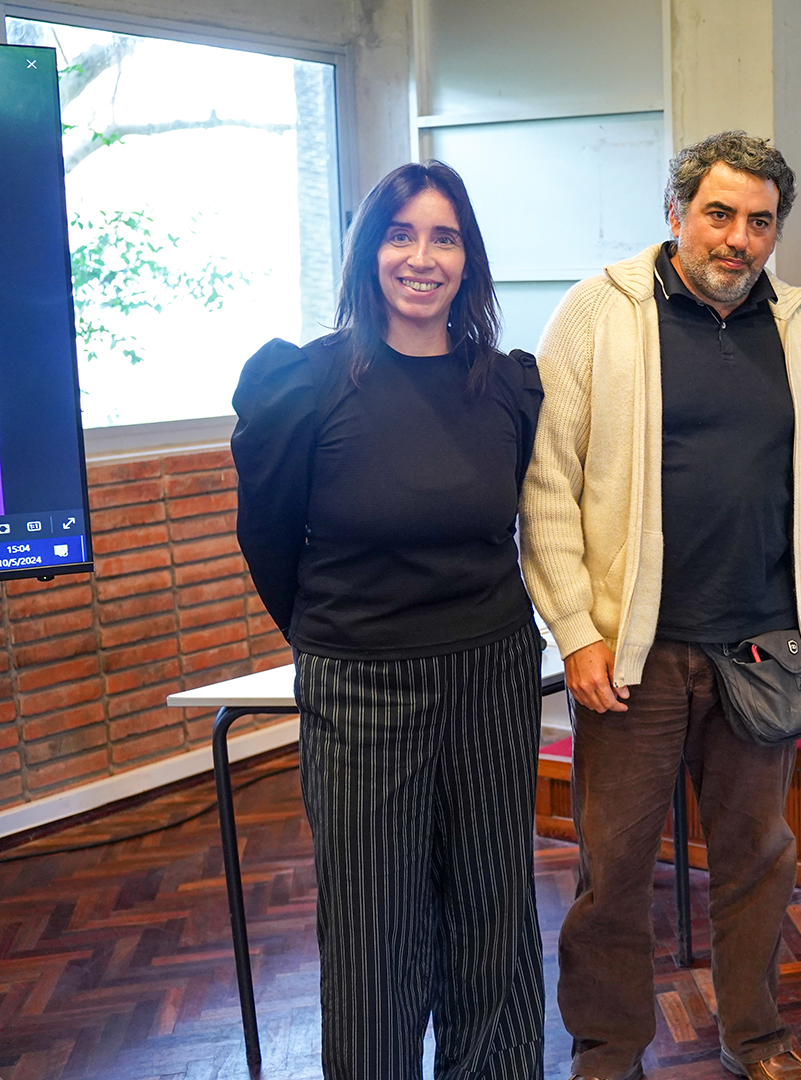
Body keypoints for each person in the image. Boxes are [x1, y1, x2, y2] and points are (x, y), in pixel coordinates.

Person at [519, 130, 801, 1080]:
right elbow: (545, 486)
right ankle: (608, 1050)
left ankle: (755, 1037)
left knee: (758, 861)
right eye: (718, 214)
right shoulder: (599, 311)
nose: (738, 239)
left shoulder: (794, 322)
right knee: (612, 872)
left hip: (760, 646)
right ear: (675, 213)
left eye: (760, 222)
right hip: (632, 656)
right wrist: (576, 632)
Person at [232, 161, 545, 1079]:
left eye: (445, 237)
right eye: (401, 235)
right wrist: (342, 638)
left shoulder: (508, 386)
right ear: (368, 251)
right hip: (360, 683)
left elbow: (521, 519)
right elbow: (268, 540)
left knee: (493, 909)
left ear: (468, 259)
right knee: (375, 925)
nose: (422, 257)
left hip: (491, 673)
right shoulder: (304, 383)